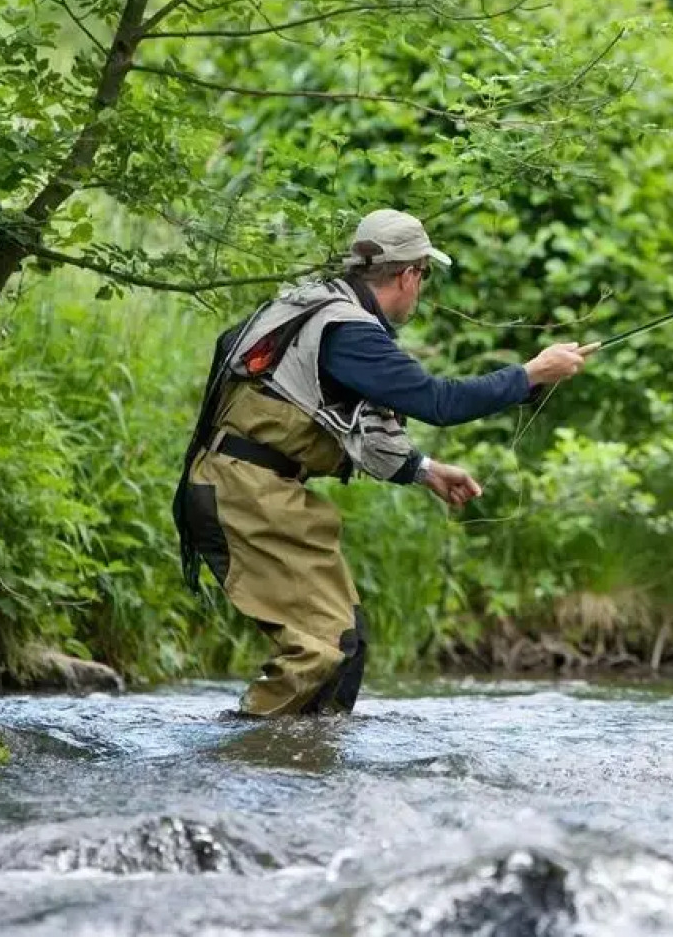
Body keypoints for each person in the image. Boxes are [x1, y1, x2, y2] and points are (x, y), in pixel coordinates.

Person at [172, 209, 593, 716]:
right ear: (409, 274)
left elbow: (345, 419)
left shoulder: (312, 305)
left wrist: (424, 470)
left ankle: (304, 768)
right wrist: (531, 373)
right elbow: (440, 401)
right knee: (320, 651)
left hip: (250, 489)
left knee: (345, 642)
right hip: (244, 494)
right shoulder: (349, 331)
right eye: (425, 275)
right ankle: (243, 760)